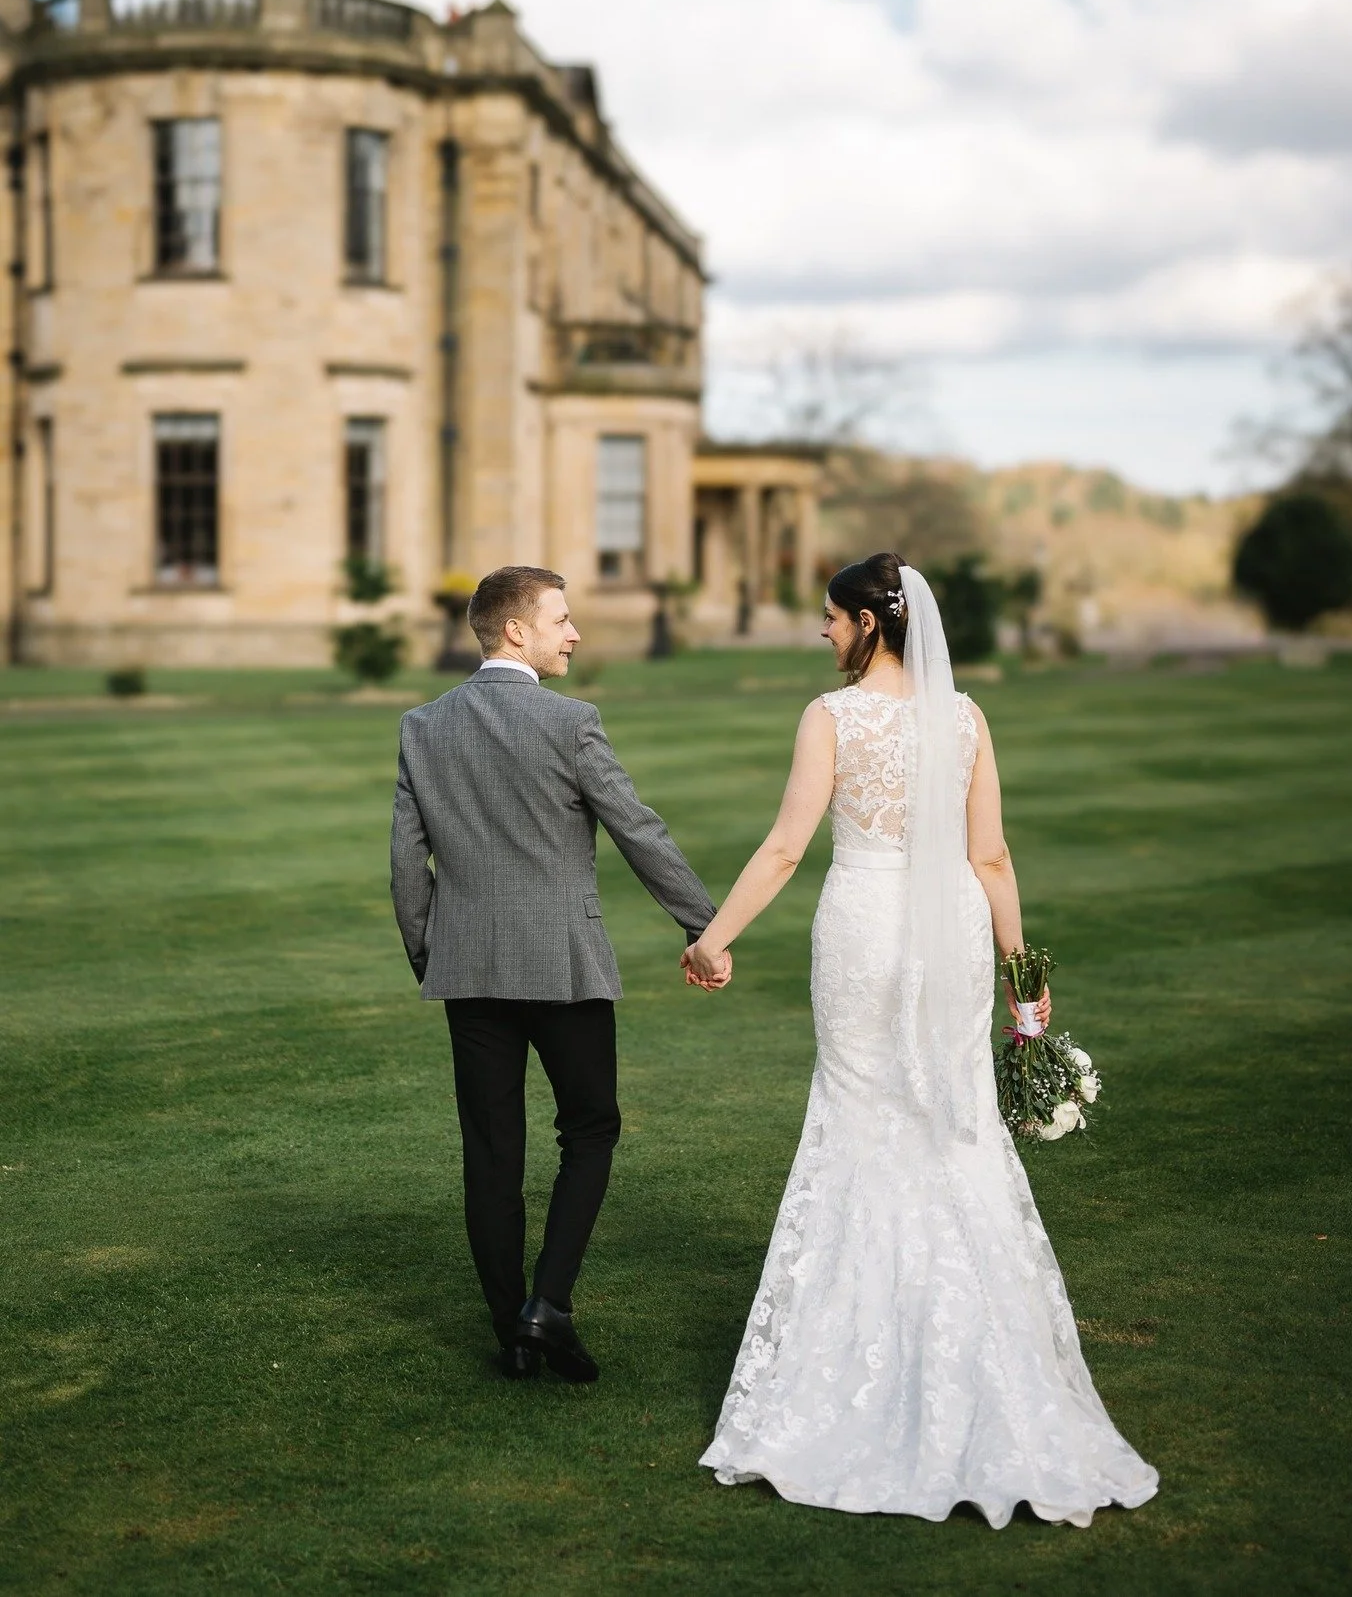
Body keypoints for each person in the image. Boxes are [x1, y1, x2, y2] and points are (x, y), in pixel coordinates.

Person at [683, 552, 1159, 1527]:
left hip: (862, 927)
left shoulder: (831, 716)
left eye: (830, 617)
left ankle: (850, 1371)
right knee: (956, 1127)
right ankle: (984, 1364)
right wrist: (1025, 980)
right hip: (947, 932)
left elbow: (784, 847)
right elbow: (989, 854)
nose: (821, 632)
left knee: (858, 1124)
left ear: (870, 621)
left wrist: (713, 938)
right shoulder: (967, 718)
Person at [390, 565, 722, 1384]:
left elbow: (406, 861)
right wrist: (707, 926)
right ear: (515, 630)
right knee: (592, 1130)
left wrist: (433, 952)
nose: (574, 633)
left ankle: (514, 1334)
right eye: (562, 619)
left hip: (467, 968)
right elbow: (639, 831)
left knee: (492, 1151)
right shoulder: (572, 722)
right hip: (564, 965)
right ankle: (549, 1306)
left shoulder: (423, 725)